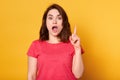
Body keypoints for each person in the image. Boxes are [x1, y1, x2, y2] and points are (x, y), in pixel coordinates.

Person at [27, 4, 84, 80]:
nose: (54, 21)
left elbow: (78, 75)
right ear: (45, 22)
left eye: (59, 18)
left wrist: (77, 49)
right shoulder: (35, 45)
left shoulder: (73, 44)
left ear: (63, 23)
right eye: (50, 18)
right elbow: (31, 76)